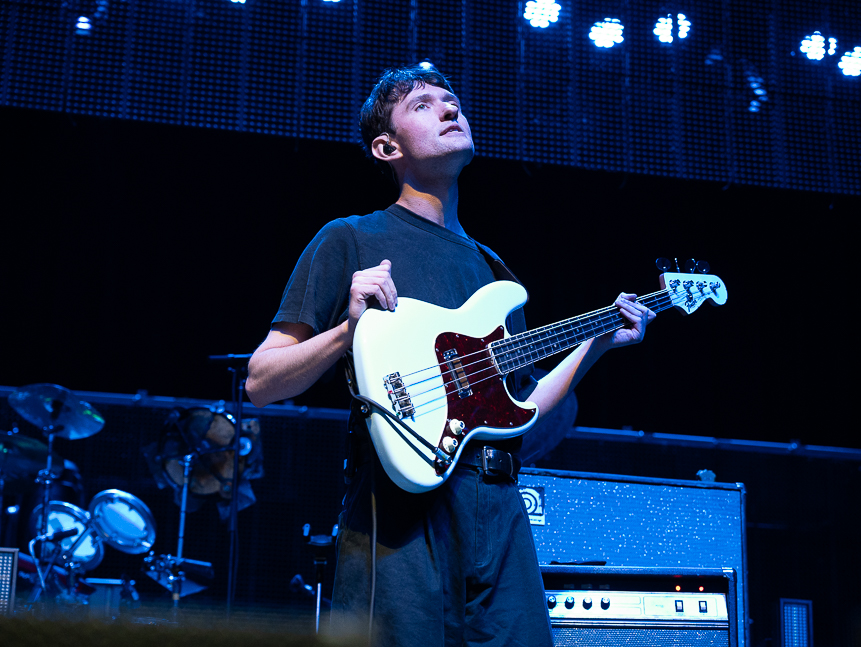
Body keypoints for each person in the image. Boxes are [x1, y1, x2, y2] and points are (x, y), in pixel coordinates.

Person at [246, 65, 655, 647]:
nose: (449, 109)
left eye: (452, 100)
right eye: (423, 105)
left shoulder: (493, 272)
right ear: (387, 148)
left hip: (499, 508)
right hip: (401, 508)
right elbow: (262, 381)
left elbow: (521, 409)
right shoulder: (352, 237)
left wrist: (597, 344)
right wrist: (348, 331)